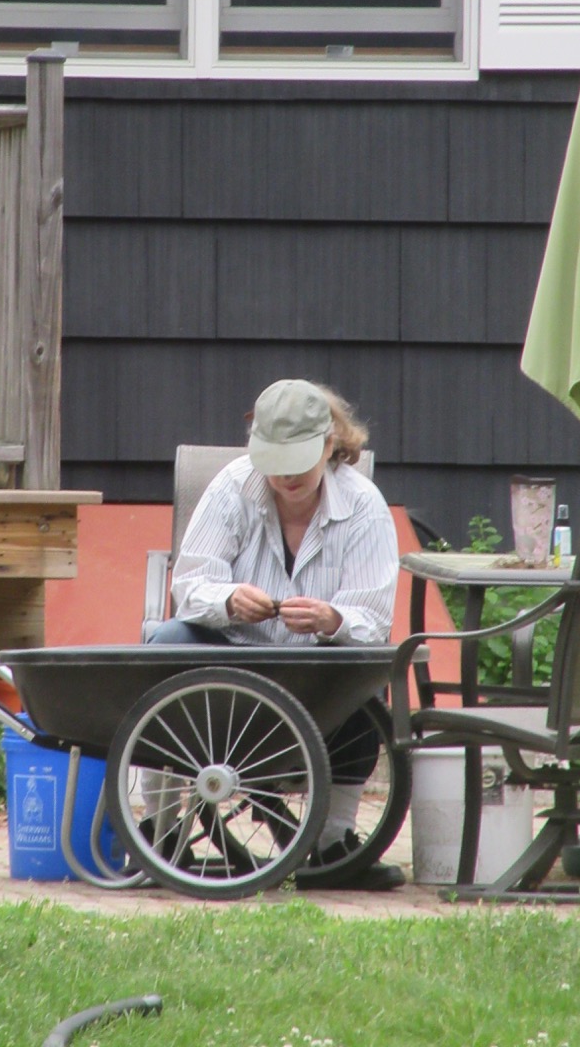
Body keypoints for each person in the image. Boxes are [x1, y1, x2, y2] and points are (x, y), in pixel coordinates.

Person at [146, 377, 403, 890]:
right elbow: (190, 585)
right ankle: (159, 833)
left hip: (319, 674)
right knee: (164, 649)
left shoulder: (364, 506)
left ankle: (334, 844)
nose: (285, 475)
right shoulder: (232, 487)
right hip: (230, 663)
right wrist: (228, 600)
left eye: (298, 460)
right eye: (274, 460)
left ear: (330, 444)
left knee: (367, 677)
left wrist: (332, 619)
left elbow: (374, 621)